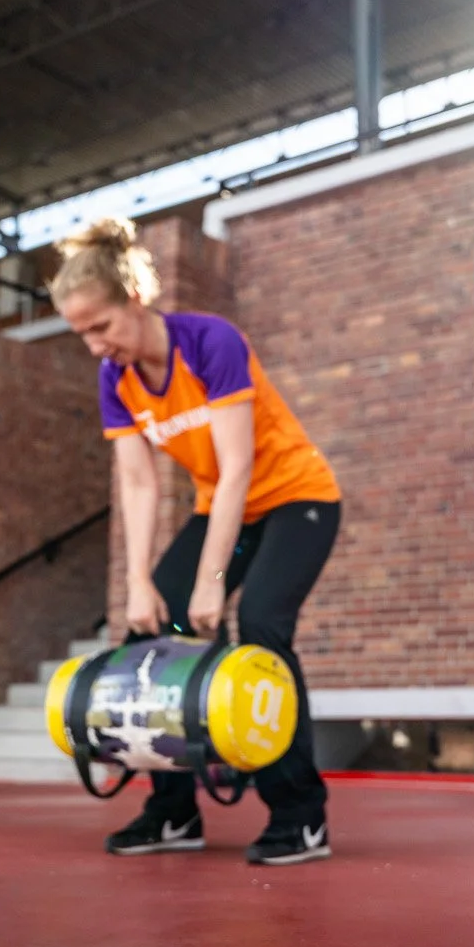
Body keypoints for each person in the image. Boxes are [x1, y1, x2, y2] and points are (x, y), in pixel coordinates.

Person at [51, 217, 342, 865]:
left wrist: (212, 579)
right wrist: (137, 583)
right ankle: (173, 809)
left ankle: (301, 816)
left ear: (135, 298)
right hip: (224, 509)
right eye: (82, 335)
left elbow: (238, 464)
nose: (96, 345)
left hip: (298, 497)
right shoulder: (117, 380)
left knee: (261, 624)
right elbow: (136, 483)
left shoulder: (210, 340)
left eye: (101, 326)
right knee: (150, 633)